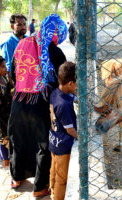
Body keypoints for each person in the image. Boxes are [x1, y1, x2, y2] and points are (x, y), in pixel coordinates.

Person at [8, 14, 68, 198]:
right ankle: (39, 187)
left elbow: (13, 72)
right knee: (44, 144)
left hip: (19, 101)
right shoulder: (54, 51)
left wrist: (26, 85)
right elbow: (63, 80)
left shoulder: (22, 44)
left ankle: (16, 178)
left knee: (17, 139)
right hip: (42, 104)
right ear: (56, 33)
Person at [49, 62, 77, 200]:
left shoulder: (56, 92)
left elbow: (75, 98)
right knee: (62, 178)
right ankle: (57, 197)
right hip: (63, 146)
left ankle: (53, 191)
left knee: (54, 170)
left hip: (53, 140)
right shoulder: (64, 105)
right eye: (78, 84)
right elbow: (70, 130)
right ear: (71, 84)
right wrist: (83, 138)